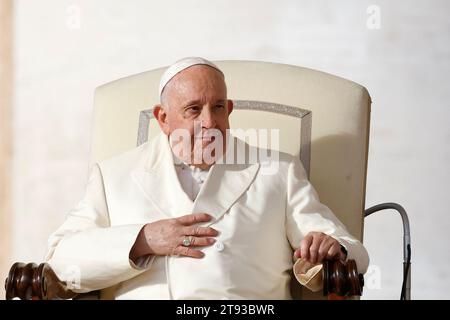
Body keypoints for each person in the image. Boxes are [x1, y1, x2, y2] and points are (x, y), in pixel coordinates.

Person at [46, 57, 369, 299]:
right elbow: (61, 260)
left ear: (229, 109)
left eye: (218, 107)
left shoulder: (278, 170)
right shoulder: (113, 175)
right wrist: (143, 240)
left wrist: (333, 248)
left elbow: (350, 250)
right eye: (193, 109)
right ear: (163, 118)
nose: (209, 122)